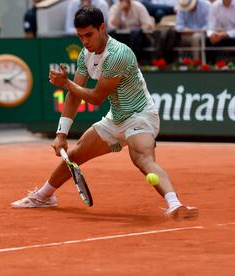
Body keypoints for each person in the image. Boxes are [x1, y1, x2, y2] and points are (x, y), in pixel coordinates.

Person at [11, 6, 198, 220]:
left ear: (102, 28)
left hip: (140, 115)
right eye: (80, 36)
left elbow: (96, 97)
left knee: (142, 158)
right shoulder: (85, 55)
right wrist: (61, 134)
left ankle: (175, 205)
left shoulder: (118, 54)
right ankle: (43, 196)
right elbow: (74, 96)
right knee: (74, 155)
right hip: (116, 117)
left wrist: (68, 84)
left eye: (89, 35)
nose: (85, 41)